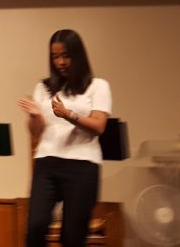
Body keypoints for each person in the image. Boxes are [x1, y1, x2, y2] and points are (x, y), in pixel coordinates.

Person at [17, 29, 111, 247]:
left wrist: (68, 114)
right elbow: (35, 131)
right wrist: (34, 116)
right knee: (36, 226)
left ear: (78, 55)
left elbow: (99, 126)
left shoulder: (98, 86)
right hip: (47, 162)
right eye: (55, 56)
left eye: (66, 56)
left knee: (72, 234)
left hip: (83, 164)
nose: (60, 62)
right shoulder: (43, 87)